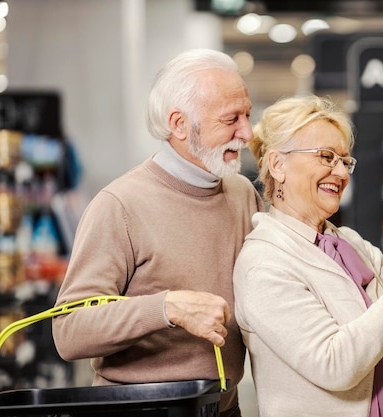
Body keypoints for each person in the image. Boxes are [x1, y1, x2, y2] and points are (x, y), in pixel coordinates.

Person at [52, 49, 263, 417]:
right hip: (140, 411)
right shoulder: (119, 205)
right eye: (231, 119)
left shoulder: (242, 193)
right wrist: (165, 308)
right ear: (179, 125)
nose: (246, 132)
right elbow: (69, 330)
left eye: (247, 115)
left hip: (224, 408)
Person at [233, 94, 383, 417]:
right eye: (326, 157)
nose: (342, 173)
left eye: (345, 161)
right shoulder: (264, 262)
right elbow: (335, 364)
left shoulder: (351, 244)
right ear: (278, 164)